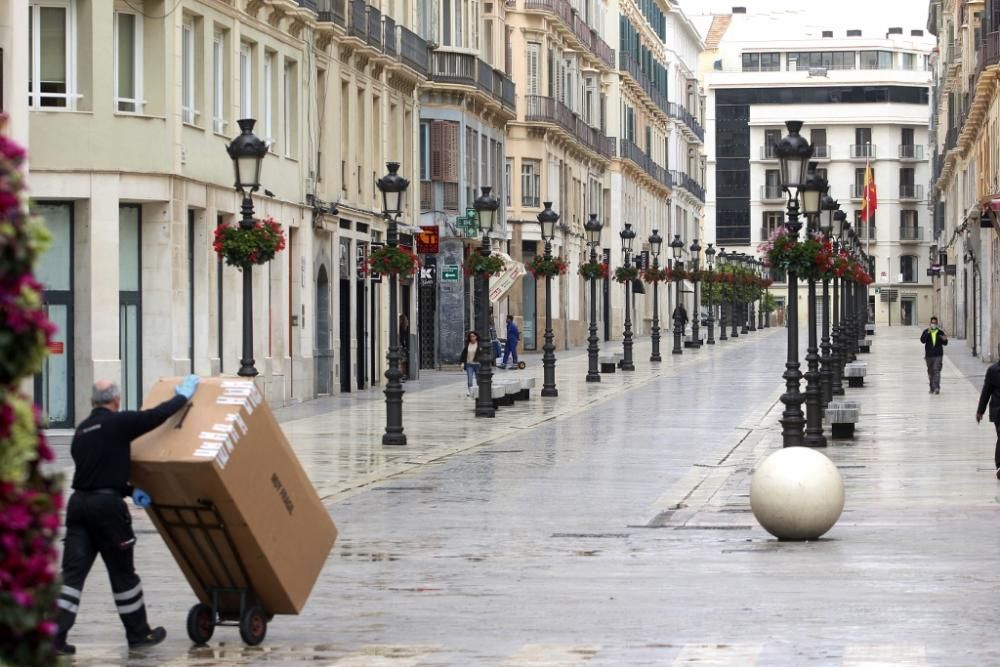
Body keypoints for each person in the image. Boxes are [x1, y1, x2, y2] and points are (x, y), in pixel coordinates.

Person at [54, 376, 200, 655]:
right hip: (107, 510)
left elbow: (97, 470)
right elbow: (155, 417)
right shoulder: (118, 423)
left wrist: (130, 491)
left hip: (79, 506)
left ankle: (55, 636)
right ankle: (138, 633)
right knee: (123, 575)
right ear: (116, 400)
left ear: (91, 402)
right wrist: (183, 397)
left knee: (71, 576)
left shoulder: (82, 430)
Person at [976, 345, 1000, 478]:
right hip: (998, 412)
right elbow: (986, 392)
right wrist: (980, 411)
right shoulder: (993, 371)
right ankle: (999, 465)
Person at [919, 316, 948, 394]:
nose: (933, 324)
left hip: (938, 355)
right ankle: (932, 387)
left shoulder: (940, 332)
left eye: (935, 323)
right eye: (932, 323)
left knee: (936, 370)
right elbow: (922, 340)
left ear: (937, 323)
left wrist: (945, 339)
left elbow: (945, 343)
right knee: (930, 372)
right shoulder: (926, 331)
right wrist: (927, 333)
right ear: (930, 323)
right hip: (929, 355)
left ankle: (937, 388)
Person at [459, 331, 481, 397]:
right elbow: (463, 354)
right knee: (470, 380)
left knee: (478, 379)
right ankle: (470, 391)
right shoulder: (468, 345)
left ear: (476, 337)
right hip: (469, 365)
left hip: (477, 364)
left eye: (473, 336)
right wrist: (462, 363)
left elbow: (483, 354)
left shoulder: (479, 345)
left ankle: (479, 391)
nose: (472, 338)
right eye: (471, 336)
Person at [398, 314, 410, 381]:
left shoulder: (401, 328)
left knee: (402, 362)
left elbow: (402, 338)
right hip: (403, 347)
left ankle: (402, 375)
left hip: (402, 346)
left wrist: (403, 345)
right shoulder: (405, 328)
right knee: (403, 362)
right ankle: (403, 375)